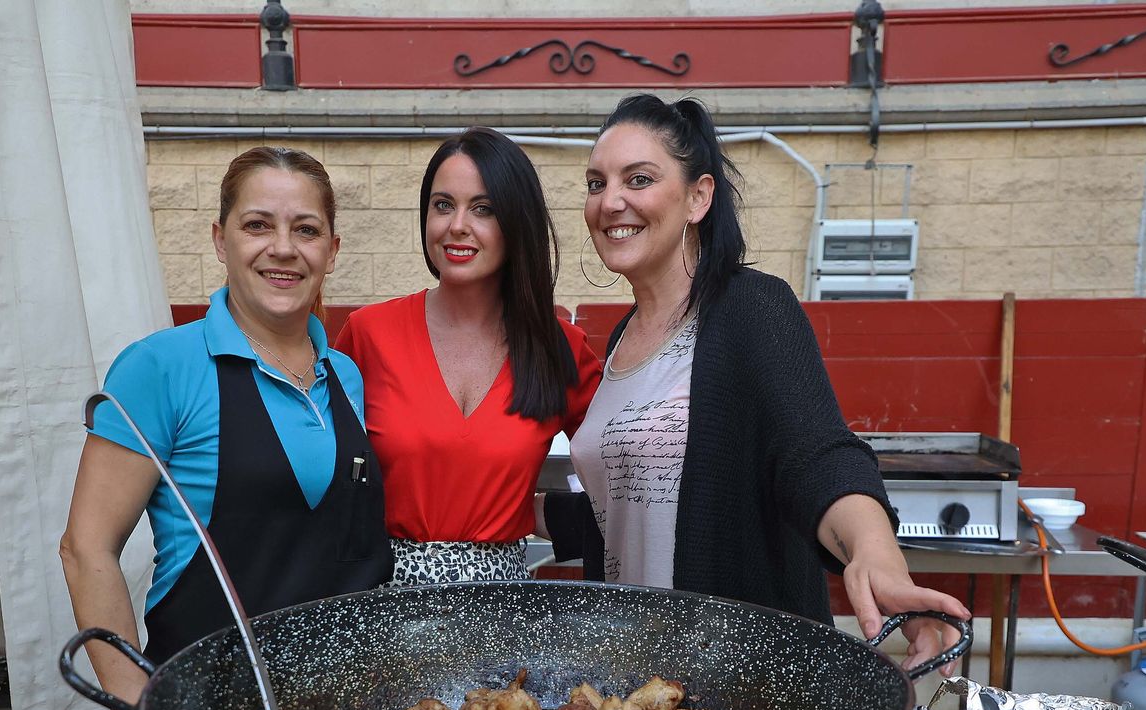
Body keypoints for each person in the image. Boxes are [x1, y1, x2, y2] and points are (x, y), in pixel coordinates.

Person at [542, 95, 968, 673]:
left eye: (638, 179)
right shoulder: (618, 340)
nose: (610, 201)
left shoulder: (751, 307)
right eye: (596, 183)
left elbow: (817, 454)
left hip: (738, 683)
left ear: (699, 197)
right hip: (632, 680)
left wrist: (875, 553)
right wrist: (506, 508)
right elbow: (632, 504)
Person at [61, 146, 391, 702]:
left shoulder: (347, 376)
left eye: (305, 230)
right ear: (221, 239)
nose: (282, 249)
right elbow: (85, 548)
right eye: (257, 225)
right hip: (208, 703)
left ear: (331, 251)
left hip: (347, 707)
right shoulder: (160, 368)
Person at [336, 128, 603, 585]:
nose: (457, 225)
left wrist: (550, 516)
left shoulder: (557, 347)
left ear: (516, 223)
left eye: (484, 209)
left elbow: (632, 471)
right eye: (443, 205)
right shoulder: (369, 334)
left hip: (505, 607)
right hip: (383, 599)